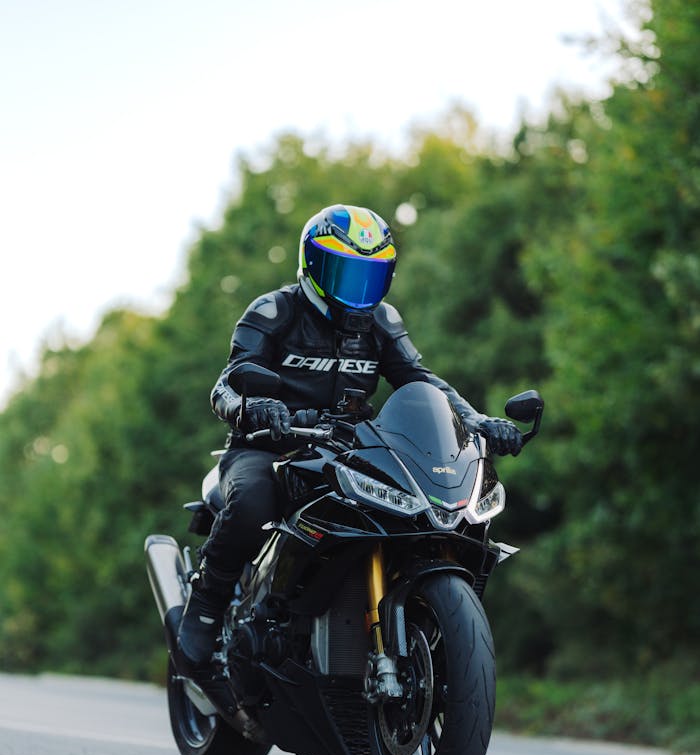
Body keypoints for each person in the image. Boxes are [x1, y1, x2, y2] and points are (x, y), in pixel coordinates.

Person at [175, 203, 522, 680]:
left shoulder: (381, 321)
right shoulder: (274, 310)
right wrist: (252, 408)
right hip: (267, 446)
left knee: (418, 513)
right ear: (314, 266)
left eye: (370, 276)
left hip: (348, 448)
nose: (358, 290)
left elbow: (419, 380)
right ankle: (207, 609)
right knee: (253, 500)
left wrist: (476, 420)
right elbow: (226, 385)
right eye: (344, 274)